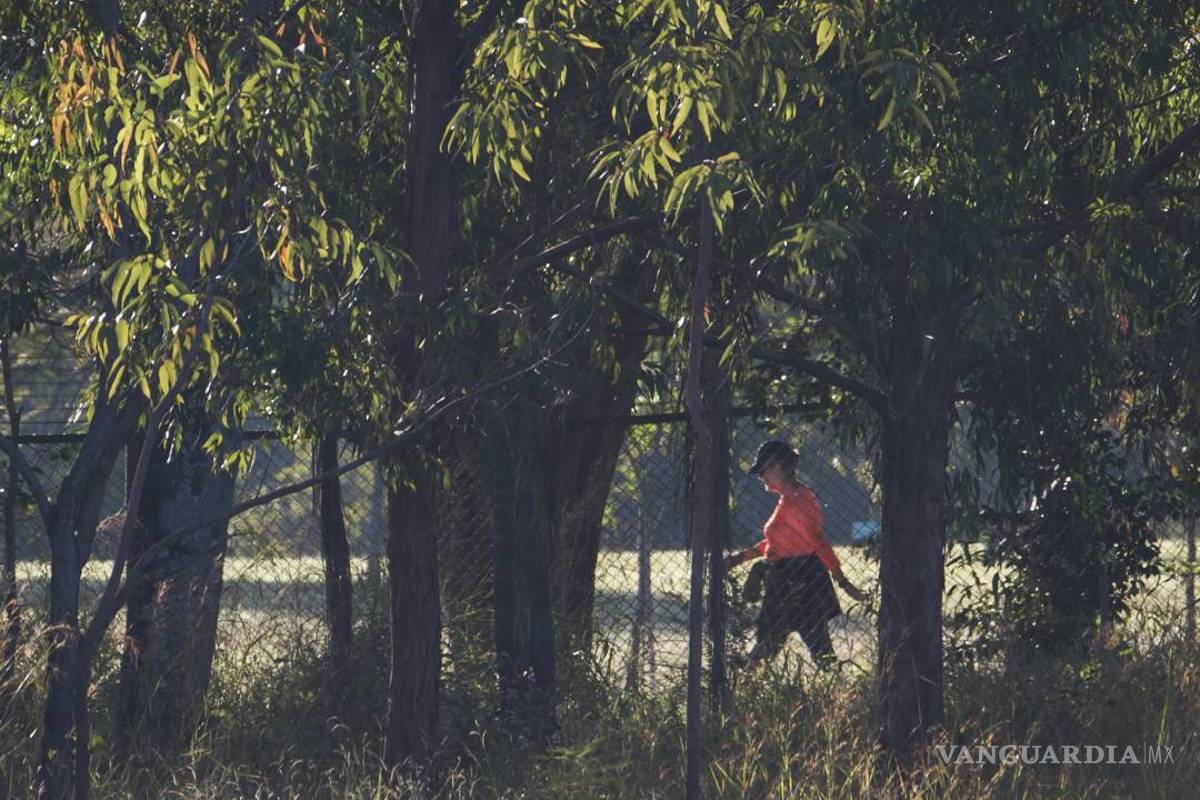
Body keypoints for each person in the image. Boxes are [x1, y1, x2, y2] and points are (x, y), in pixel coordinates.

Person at [725, 439, 868, 670]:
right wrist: (740, 558)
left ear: (778, 467)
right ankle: (750, 677)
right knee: (779, 638)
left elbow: (817, 542)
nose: (761, 476)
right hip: (791, 576)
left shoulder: (798, 501)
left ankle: (748, 679)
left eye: (763, 470)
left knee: (780, 637)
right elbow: (777, 542)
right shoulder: (788, 499)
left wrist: (842, 581)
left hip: (799, 578)